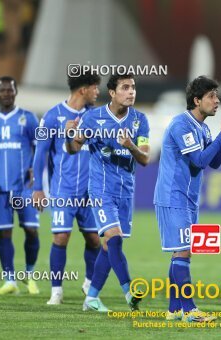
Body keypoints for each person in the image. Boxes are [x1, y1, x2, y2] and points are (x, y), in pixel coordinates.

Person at [154, 76, 221, 322]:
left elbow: (214, 162)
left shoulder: (202, 127)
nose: (217, 101)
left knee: (181, 253)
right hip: (173, 196)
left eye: (217, 95)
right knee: (183, 252)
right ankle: (190, 311)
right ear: (197, 100)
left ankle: (174, 310)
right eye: (211, 96)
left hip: (187, 199)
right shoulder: (181, 125)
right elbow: (199, 160)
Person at [65, 73, 150, 312]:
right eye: (125, 87)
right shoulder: (93, 118)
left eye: (133, 87)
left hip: (125, 192)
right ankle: (129, 291)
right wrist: (69, 135)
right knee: (114, 239)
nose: (131, 92)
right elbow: (73, 149)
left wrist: (130, 146)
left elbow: (145, 158)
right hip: (101, 189)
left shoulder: (139, 120)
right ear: (112, 93)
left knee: (108, 246)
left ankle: (91, 298)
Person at [32, 69, 101, 304]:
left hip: (90, 191)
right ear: (84, 89)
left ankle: (90, 283)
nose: (98, 92)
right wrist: (37, 189)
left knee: (94, 240)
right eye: (95, 87)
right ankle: (56, 291)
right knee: (61, 238)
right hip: (63, 189)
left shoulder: (95, 116)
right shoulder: (52, 116)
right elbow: (40, 152)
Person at [0, 76, 40, 295]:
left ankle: (29, 274)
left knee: (31, 230)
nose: (7, 94)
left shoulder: (28, 118)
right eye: (3, 90)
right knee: (4, 233)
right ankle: (10, 280)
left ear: (16, 92)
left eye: (10, 90)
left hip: (24, 188)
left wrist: (35, 172)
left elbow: (40, 147)